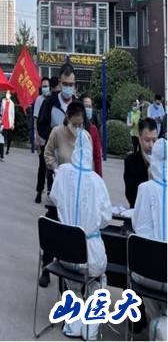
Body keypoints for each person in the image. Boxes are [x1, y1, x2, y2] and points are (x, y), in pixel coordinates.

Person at [49, 129, 112, 340]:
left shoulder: (63, 173)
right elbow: (106, 218)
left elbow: (54, 199)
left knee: (73, 279)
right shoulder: (97, 182)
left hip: (65, 255)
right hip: (91, 256)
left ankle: (73, 319)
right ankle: (90, 326)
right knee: (97, 280)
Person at [132, 138, 167, 341]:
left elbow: (137, 225)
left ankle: (156, 324)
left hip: (146, 273)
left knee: (148, 286)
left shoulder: (144, 189)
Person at [37, 64, 77, 202]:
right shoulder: (50, 102)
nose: (68, 87)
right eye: (65, 84)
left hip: (73, 164)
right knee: (54, 202)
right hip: (55, 163)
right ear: (60, 83)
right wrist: (56, 136)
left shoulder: (77, 106)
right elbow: (41, 126)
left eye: (71, 84)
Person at [44, 101, 88, 184]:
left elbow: (89, 159)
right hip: (61, 179)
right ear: (68, 118)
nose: (77, 128)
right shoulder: (57, 132)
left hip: (79, 180)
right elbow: (48, 153)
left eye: (80, 125)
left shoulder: (85, 136)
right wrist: (56, 169)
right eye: (74, 125)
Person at [124, 117, 158, 208]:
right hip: (139, 210)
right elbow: (131, 195)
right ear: (139, 138)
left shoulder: (163, 162)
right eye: (147, 140)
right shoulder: (131, 161)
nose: (151, 145)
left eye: (154, 140)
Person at [34, 77, 51, 203]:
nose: (45, 88)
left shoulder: (52, 100)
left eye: (47, 86)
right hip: (42, 138)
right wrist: (37, 137)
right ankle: (39, 191)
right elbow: (35, 119)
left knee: (51, 168)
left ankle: (51, 192)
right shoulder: (39, 100)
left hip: (52, 139)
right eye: (43, 86)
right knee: (42, 166)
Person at [81, 93, 103, 177]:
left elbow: (97, 156)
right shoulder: (73, 127)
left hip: (88, 172)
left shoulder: (93, 129)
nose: (88, 109)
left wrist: (99, 177)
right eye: (86, 106)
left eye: (90, 107)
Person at [0, 90, 15, 155]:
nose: (7, 95)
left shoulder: (12, 103)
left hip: (9, 121)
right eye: (6, 93)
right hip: (3, 120)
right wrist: (0, 118)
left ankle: (8, 149)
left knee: (9, 137)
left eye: (8, 94)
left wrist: (13, 123)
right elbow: (1, 110)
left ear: (10, 95)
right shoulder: (3, 101)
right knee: (3, 136)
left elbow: (13, 114)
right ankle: (2, 148)